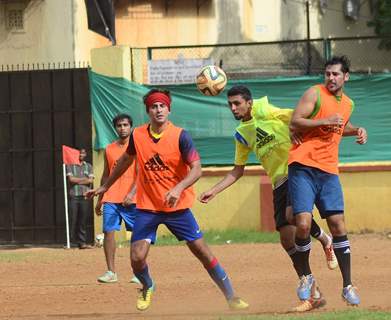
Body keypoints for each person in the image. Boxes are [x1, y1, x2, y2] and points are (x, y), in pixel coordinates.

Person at [86, 89, 248, 311]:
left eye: (162, 106)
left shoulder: (181, 136)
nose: (158, 110)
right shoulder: (137, 135)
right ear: (148, 111)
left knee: (203, 252)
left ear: (169, 109)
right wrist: (105, 186)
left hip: (177, 207)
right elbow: (125, 160)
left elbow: (197, 169)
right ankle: (148, 285)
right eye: (154, 106)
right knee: (136, 258)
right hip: (148, 208)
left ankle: (231, 296)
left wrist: (178, 188)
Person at [198, 85, 336, 312]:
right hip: (278, 182)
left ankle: (324, 240)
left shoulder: (267, 110)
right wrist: (214, 190)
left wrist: (295, 128)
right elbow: (237, 170)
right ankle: (314, 292)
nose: (233, 108)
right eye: (230, 105)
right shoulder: (242, 134)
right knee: (286, 239)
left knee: (294, 216)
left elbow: (299, 118)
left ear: (249, 103)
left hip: (297, 171)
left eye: (237, 103)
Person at [288, 56, 367, 306]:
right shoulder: (314, 93)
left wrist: (357, 130)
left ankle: (347, 286)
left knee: (338, 225)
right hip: (303, 166)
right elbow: (295, 121)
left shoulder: (348, 103)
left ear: (346, 77)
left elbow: (341, 125)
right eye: (327, 74)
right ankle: (307, 278)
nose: (330, 78)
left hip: (329, 171)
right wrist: (324, 120)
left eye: (335, 74)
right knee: (302, 224)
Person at [95, 114, 139, 284]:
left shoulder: (138, 147)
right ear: (115, 128)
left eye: (125, 125)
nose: (122, 128)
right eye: (119, 125)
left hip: (132, 198)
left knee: (137, 234)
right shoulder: (109, 149)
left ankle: (138, 272)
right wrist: (100, 199)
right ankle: (111, 271)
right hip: (111, 197)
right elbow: (106, 175)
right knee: (108, 232)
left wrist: (133, 193)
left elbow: (141, 173)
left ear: (131, 126)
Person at [66, 148, 94, 249]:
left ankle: (82, 243)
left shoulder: (89, 166)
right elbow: (71, 179)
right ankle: (71, 242)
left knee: (82, 220)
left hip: (85, 196)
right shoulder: (70, 166)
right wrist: (84, 179)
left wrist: (77, 180)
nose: (81, 155)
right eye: (79, 153)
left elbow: (90, 180)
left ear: (85, 154)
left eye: (83, 153)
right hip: (74, 196)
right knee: (73, 219)